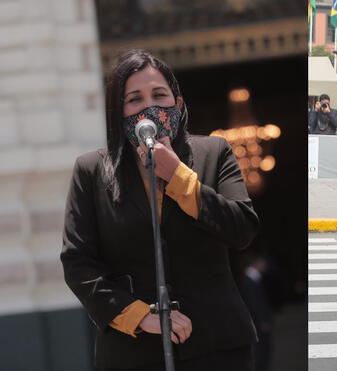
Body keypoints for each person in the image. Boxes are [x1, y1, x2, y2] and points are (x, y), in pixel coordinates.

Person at [59, 49, 259, 370]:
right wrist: (140, 317)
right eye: (134, 99)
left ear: (177, 105)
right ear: (118, 112)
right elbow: (78, 264)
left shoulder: (214, 152)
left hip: (217, 346)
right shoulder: (91, 170)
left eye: (159, 95)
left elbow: (242, 230)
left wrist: (178, 176)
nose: (149, 107)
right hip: (133, 351)